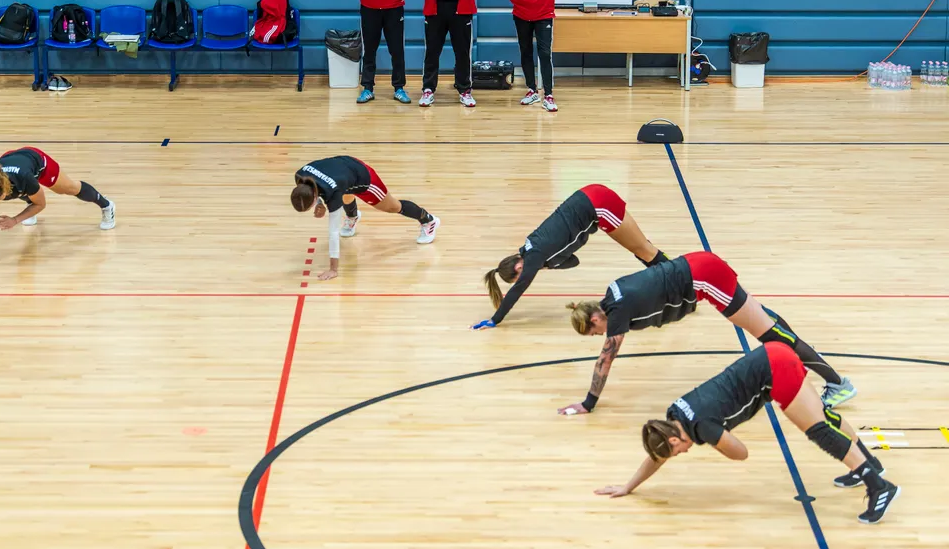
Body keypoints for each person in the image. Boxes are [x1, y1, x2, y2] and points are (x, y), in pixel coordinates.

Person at [594, 342, 900, 524]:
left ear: (675, 439)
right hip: (768, 355)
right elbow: (659, 455)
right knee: (825, 417)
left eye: (676, 451)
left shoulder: (702, 428)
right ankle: (870, 465)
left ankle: (878, 486)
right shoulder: (674, 415)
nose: (681, 454)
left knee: (817, 429)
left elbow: (741, 453)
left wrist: (716, 440)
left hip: (774, 370)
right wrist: (628, 486)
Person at [559, 251, 857, 414]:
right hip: (699, 266)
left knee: (769, 335)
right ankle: (802, 350)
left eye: (595, 330)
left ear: (596, 316)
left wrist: (589, 403)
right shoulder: (611, 294)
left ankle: (838, 383)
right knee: (766, 325)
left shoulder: (617, 313)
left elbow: (605, 360)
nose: (601, 335)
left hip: (706, 278)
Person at [473, 184, 667, 330]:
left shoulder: (534, 256)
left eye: (519, 276)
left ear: (518, 268)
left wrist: (495, 320)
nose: (526, 277)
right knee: (643, 248)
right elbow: (573, 262)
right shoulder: (532, 248)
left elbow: (518, 290)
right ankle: (669, 282)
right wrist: (548, 265)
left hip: (598, 206)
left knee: (644, 249)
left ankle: (679, 282)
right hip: (590, 198)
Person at [291, 156, 440, 280]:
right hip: (344, 170)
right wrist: (318, 203)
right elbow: (320, 190)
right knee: (345, 191)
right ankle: (353, 216)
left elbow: (333, 233)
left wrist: (333, 269)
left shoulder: (333, 192)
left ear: (315, 195)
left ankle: (428, 220)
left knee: (392, 206)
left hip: (363, 178)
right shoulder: (299, 176)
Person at [0, 146, 116, 267]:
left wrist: (15, 220)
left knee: (68, 188)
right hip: (12, 159)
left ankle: (107, 205)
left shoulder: (24, 177)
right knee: (24, 191)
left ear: (6, 189)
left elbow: (41, 204)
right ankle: (28, 207)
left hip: (37, 161)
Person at [508, 0, 562, 112]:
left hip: (544, 14)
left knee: (545, 53)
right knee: (525, 51)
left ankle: (548, 94)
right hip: (521, 13)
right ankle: (531, 90)